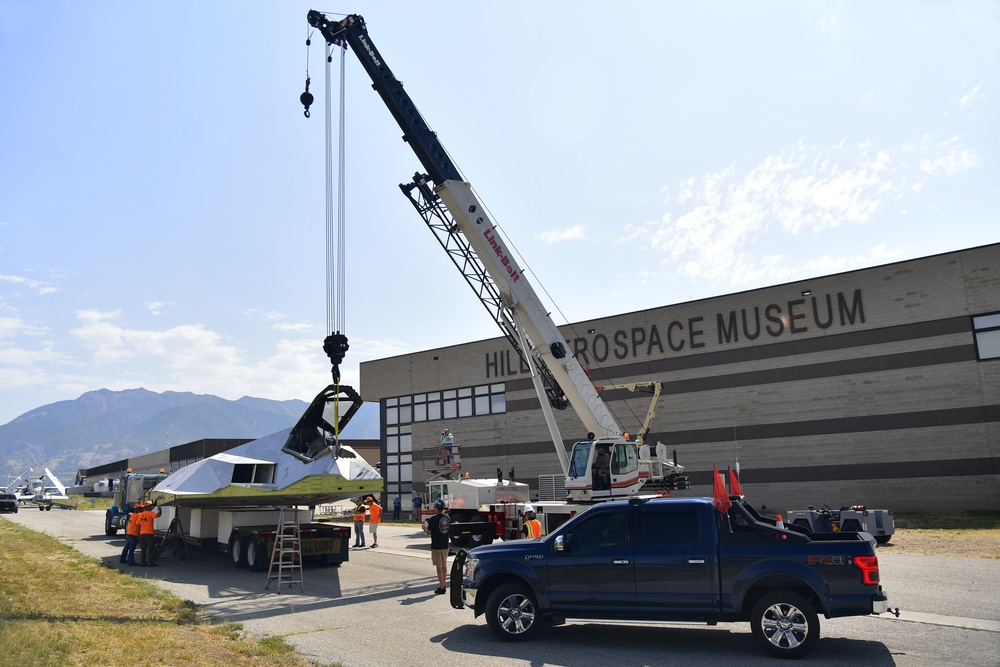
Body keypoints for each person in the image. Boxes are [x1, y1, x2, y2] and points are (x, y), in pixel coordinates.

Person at [425, 498, 450, 594]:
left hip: (436, 545)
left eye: (434, 507)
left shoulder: (433, 519)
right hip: (445, 544)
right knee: (444, 565)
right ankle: (444, 584)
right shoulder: (447, 517)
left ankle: (442, 586)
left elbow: (428, 532)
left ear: (436, 508)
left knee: (438, 566)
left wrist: (428, 524)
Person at [137, 500, 161, 567]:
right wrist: (160, 509)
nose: (152, 507)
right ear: (149, 507)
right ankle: (151, 562)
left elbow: (137, 526)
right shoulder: (150, 513)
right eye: (151, 506)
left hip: (142, 534)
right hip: (149, 533)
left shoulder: (140, 515)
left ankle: (142, 562)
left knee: (143, 549)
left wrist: (138, 534)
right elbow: (158, 515)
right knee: (151, 548)